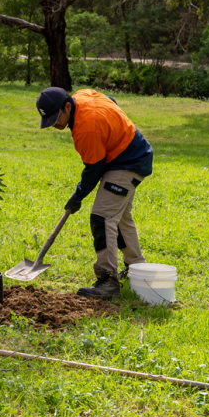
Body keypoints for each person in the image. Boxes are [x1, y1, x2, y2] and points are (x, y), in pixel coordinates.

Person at [36, 86, 154, 300]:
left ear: (68, 106)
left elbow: (94, 169)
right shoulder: (83, 95)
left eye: (56, 118)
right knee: (119, 218)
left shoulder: (86, 129)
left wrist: (78, 196)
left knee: (102, 218)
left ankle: (107, 280)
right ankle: (136, 268)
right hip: (135, 154)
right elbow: (111, 100)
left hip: (127, 162)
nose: (54, 124)